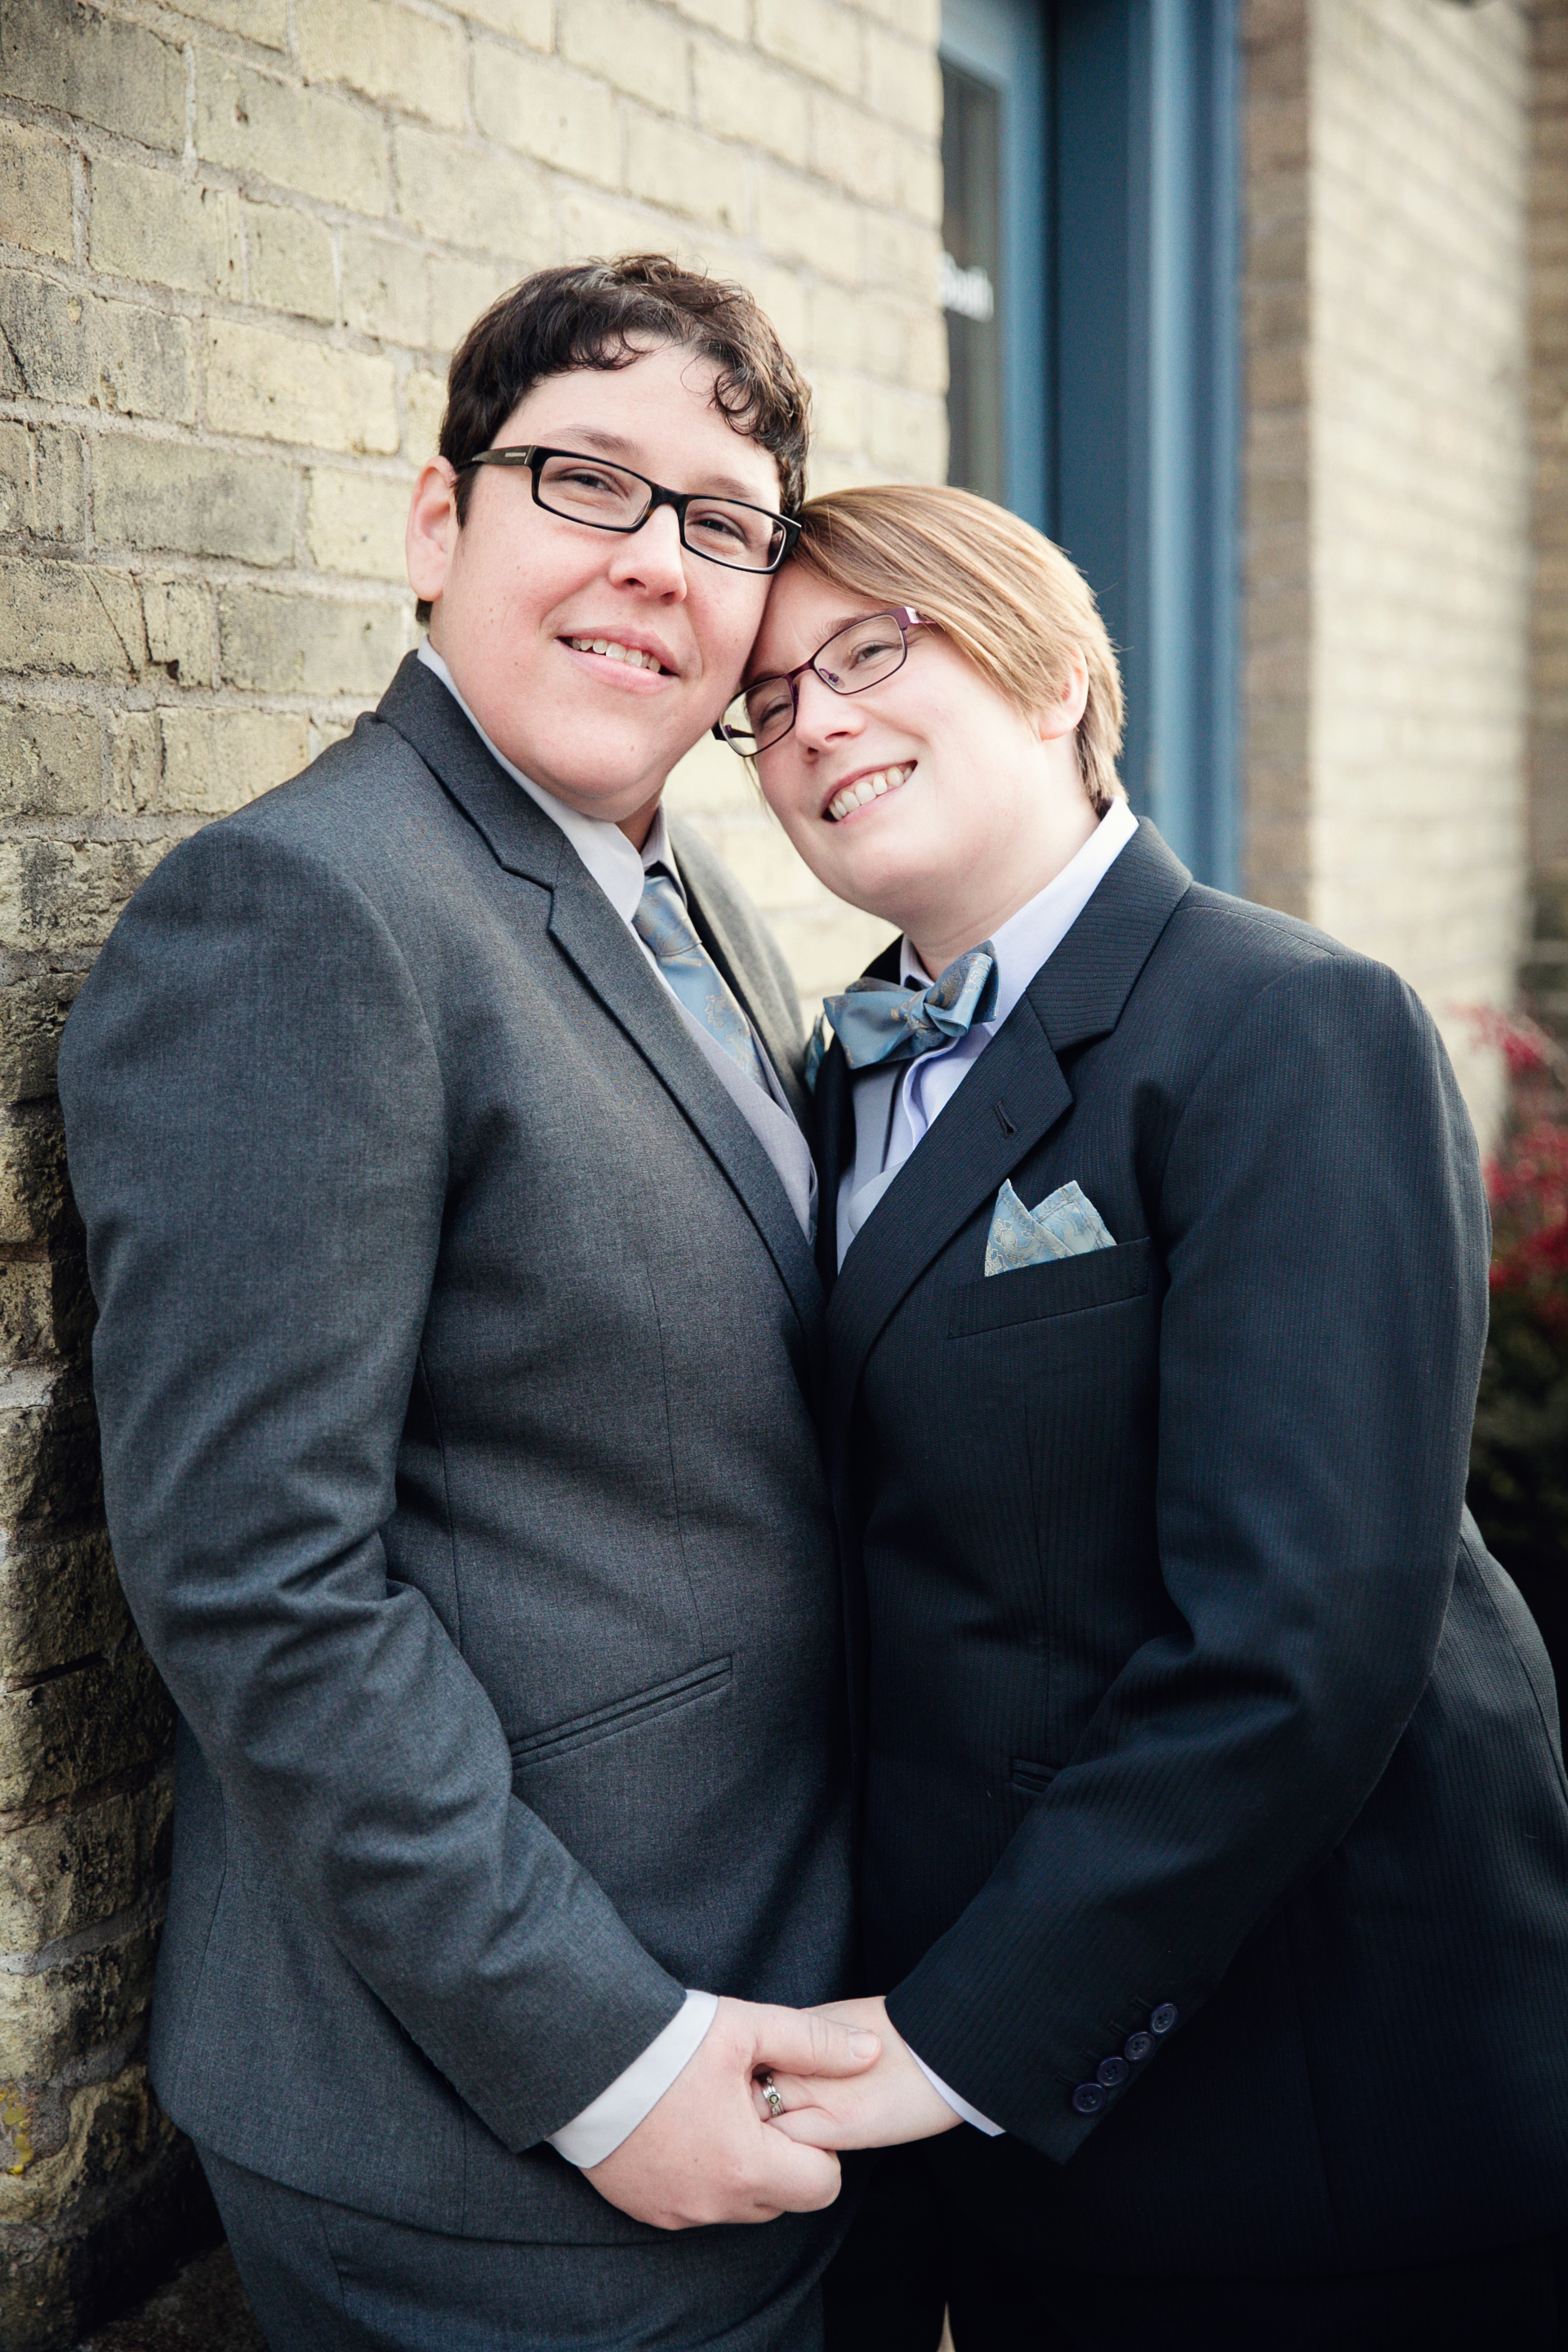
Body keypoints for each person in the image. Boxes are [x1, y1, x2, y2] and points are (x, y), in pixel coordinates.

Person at [56, 259, 883, 2352]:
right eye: (583, 482)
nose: (650, 565)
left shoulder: (689, 893)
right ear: (441, 525)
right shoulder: (307, 911)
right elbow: (260, 1579)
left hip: (762, 1987)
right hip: (503, 2129)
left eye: (719, 519)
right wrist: (604, 2064)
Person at [728, 483, 1568, 2350]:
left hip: (1313, 2130)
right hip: (1022, 2151)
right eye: (769, 702)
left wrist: (966, 2033)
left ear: (1047, 677)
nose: (815, 726)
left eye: (872, 653)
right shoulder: (844, 1077)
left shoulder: (1288, 1027)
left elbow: (1305, 1639)